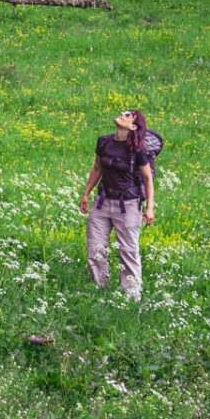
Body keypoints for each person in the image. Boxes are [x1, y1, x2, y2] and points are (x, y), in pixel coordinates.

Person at [78, 108, 155, 301]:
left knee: (128, 250)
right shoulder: (104, 141)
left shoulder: (138, 150)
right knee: (95, 248)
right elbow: (97, 168)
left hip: (128, 205)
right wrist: (86, 193)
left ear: (133, 126)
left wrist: (150, 208)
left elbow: (147, 179)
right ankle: (100, 290)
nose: (123, 114)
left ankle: (132, 296)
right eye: (123, 112)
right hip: (103, 202)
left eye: (128, 115)